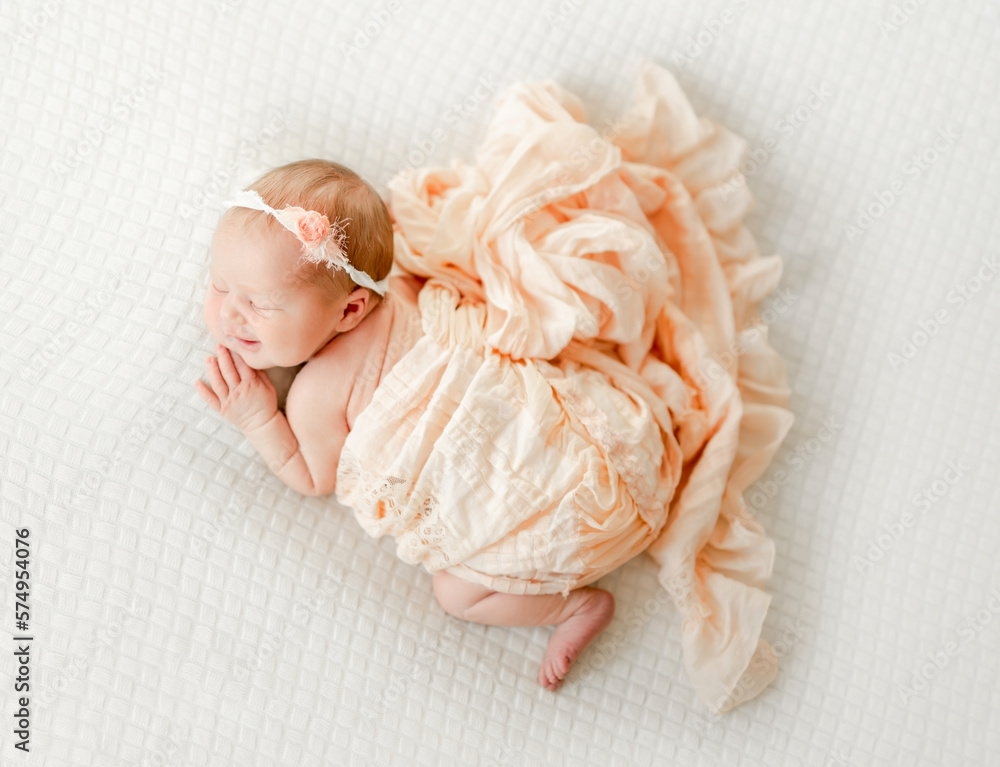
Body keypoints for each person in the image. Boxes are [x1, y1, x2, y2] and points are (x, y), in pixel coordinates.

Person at [195, 59, 796, 711]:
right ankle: (589, 561)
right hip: (624, 449)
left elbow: (310, 474)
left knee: (458, 593)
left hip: (550, 511)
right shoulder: (405, 288)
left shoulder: (313, 396)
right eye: (219, 287)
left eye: (257, 304)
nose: (228, 313)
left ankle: (576, 603)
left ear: (348, 310)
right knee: (558, 390)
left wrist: (260, 417)